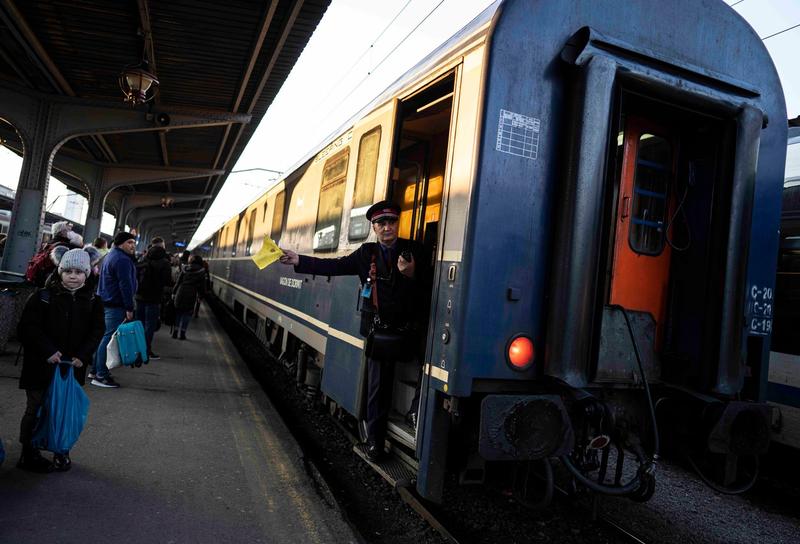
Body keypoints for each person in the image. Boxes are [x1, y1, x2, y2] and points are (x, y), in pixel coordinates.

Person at [279, 200, 428, 461]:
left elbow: (431, 287)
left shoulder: (415, 250)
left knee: (428, 368)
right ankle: (375, 443)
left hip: (409, 331)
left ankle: (416, 413)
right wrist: (299, 260)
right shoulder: (366, 254)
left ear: (398, 223)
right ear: (374, 227)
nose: (387, 227)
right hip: (381, 333)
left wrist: (412, 274)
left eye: (391, 222)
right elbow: (335, 266)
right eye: (381, 223)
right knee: (378, 390)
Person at [16, 247, 104, 472]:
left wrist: (83, 355)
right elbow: (27, 328)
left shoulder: (94, 301)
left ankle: (61, 449)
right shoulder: (42, 297)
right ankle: (29, 452)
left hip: (71, 368)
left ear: (87, 273)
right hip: (40, 365)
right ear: (60, 271)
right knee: (35, 409)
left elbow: (97, 331)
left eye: (79, 272)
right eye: (68, 271)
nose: (73, 276)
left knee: (64, 412)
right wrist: (48, 351)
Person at [91, 232, 138, 388]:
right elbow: (125, 285)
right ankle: (101, 375)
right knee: (108, 339)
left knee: (103, 337)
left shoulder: (111, 255)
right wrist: (129, 307)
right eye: (129, 242)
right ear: (120, 243)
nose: (133, 245)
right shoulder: (123, 260)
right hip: (115, 304)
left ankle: (96, 370)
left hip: (105, 301)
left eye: (134, 242)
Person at [135, 236, 173, 359]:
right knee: (149, 326)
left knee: (139, 324)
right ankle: (146, 351)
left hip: (139, 296)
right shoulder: (165, 262)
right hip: (154, 298)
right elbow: (168, 281)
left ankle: (137, 349)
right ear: (162, 247)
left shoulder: (144, 258)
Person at [172, 255, 207, 340]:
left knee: (179, 312)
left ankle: (175, 332)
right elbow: (202, 286)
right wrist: (200, 296)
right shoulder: (201, 271)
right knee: (187, 314)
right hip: (191, 293)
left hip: (181, 291)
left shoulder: (185, 268)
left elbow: (178, 282)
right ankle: (182, 334)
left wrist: (174, 292)